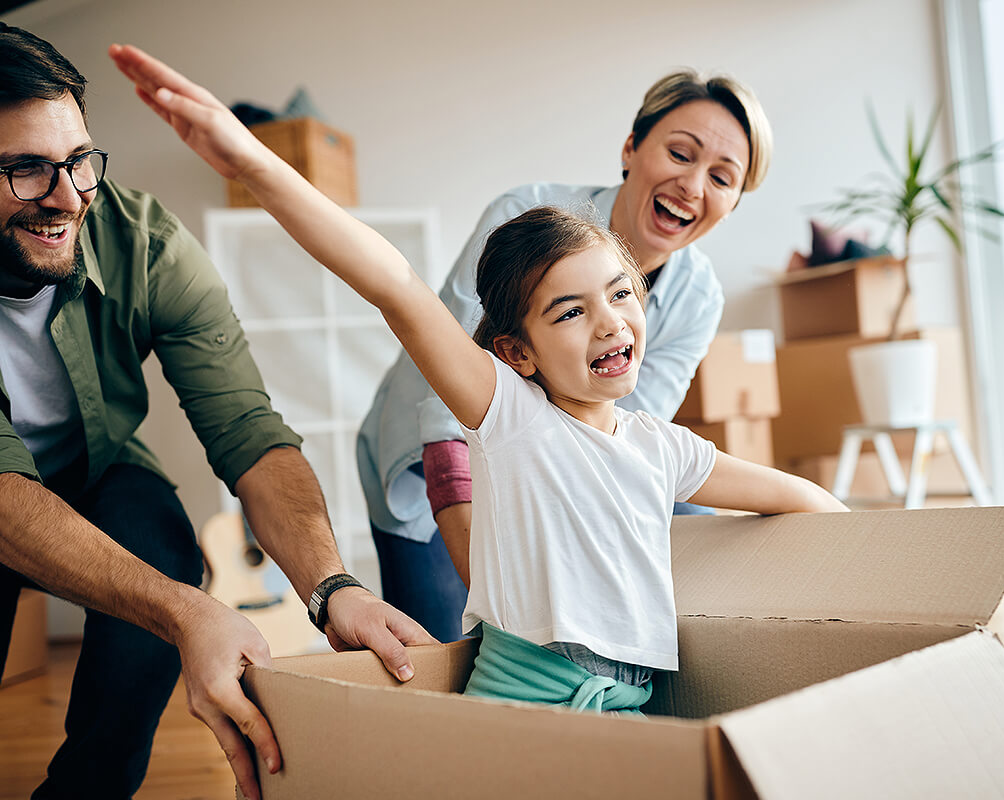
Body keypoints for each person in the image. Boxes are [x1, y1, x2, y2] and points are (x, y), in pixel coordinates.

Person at [110, 43, 848, 715]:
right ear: (514, 353)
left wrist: (875, 555)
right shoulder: (511, 414)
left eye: (623, 296)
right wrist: (254, 164)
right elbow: (395, 287)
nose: (610, 323)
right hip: (524, 692)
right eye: (569, 311)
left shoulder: (661, 443)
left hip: (627, 704)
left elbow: (796, 497)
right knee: (429, 668)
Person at [0, 26, 435, 800]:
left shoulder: (147, 245)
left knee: (162, 543)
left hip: (96, 467)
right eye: (27, 171)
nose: (67, 198)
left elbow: (249, 433)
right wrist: (185, 614)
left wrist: (335, 588)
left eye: (76, 162)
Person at [358, 67, 775, 643]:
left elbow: (623, 435)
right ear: (631, 148)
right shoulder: (522, 215)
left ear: (731, 204)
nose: (693, 186)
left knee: (689, 528)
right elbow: (447, 392)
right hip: (432, 454)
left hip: (549, 466)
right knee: (443, 656)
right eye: (681, 154)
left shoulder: (699, 297)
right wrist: (492, 583)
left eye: (723, 178)